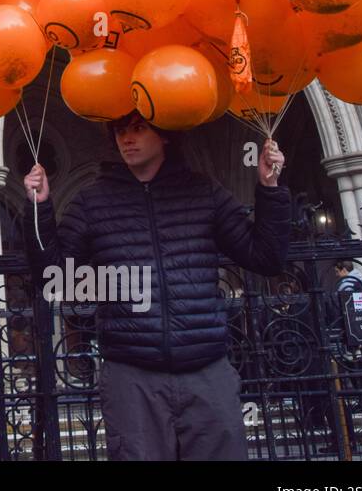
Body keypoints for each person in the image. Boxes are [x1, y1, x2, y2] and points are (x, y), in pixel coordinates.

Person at [22, 111, 291, 460]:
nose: (126, 139)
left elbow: (266, 257)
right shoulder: (93, 202)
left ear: (164, 134)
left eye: (138, 128)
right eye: (119, 131)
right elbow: (52, 277)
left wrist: (270, 190)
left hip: (205, 369)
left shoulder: (203, 192)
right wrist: (39, 208)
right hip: (132, 376)